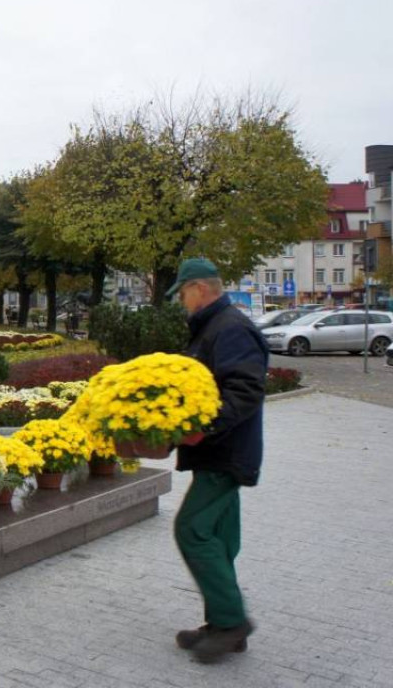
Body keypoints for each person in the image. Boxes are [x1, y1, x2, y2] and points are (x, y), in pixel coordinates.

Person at [167, 258, 268, 663]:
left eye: (183, 294)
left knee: (192, 529)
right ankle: (224, 626)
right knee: (220, 539)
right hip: (221, 451)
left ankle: (231, 623)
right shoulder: (216, 326)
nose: (181, 302)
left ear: (200, 289)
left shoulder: (229, 328)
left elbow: (244, 391)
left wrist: (202, 427)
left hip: (226, 452)